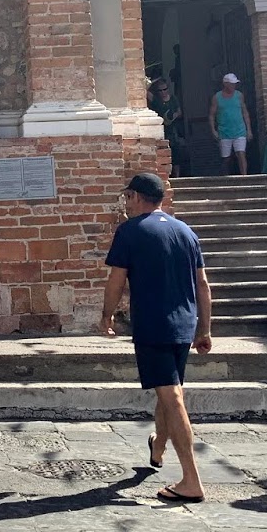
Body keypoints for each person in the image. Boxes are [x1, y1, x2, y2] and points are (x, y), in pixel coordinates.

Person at [101, 172, 213, 504]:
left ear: (136, 197)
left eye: (127, 197)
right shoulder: (186, 232)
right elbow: (203, 284)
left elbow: (116, 280)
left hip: (153, 325)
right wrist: (204, 329)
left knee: (172, 397)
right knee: (169, 391)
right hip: (184, 325)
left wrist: (106, 315)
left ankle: (191, 480)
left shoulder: (130, 231)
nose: (126, 204)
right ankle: (159, 445)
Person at [207, 73, 252, 176]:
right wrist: (213, 130)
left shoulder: (239, 96)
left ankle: (244, 177)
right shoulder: (217, 97)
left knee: (241, 154)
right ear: (225, 84)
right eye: (231, 84)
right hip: (224, 131)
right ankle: (226, 177)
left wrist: (248, 129)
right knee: (226, 158)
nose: (233, 86)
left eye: (234, 84)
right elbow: (212, 115)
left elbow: (245, 112)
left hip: (239, 130)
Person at [149, 78, 186, 177]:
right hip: (162, 131)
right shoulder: (156, 100)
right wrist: (150, 82)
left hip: (173, 131)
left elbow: (180, 112)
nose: (163, 92)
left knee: (176, 154)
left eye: (165, 89)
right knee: (163, 153)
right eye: (160, 90)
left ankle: (177, 176)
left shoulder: (173, 99)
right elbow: (144, 91)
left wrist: (174, 115)